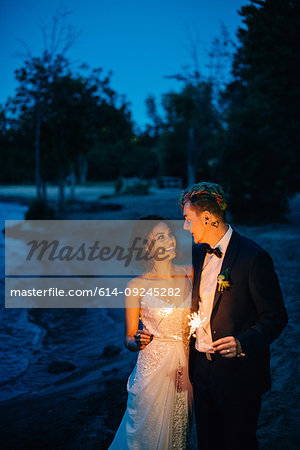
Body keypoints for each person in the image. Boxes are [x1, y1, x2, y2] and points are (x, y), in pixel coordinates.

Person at [179, 182, 288, 450]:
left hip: (239, 375)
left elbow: (275, 317)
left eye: (187, 219)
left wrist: (243, 343)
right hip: (200, 371)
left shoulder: (253, 257)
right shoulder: (195, 253)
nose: (185, 227)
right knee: (207, 443)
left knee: (239, 443)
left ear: (207, 217)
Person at [109, 216, 193, 450]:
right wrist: (136, 341)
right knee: (145, 435)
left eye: (169, 234)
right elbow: (128, 338)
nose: (170, 241)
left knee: (179, 434)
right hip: (152, 371)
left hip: (186, 369)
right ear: (147, 247)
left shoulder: (190, 274)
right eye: (160, 237)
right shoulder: (136, 286)